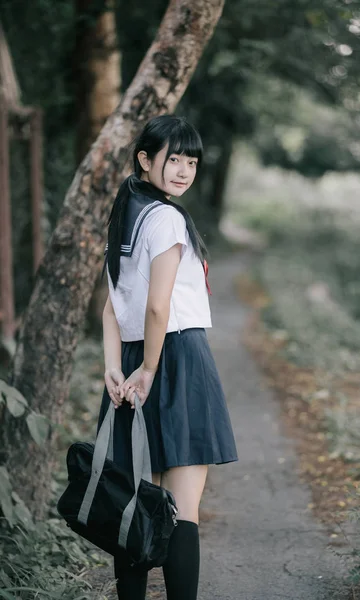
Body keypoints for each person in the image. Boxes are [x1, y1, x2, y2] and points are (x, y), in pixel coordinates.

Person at [98, 114, 238, 600]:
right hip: (173, 359)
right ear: (145, 159)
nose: (182, 170)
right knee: (181, 510)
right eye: (172, 159)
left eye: (191, 161)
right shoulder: (167, 219)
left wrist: (115, 368)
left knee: (136, 504)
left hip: (137, 360)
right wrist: (150, 371)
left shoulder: (126, 215)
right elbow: (157, 305)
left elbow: (112, 310)